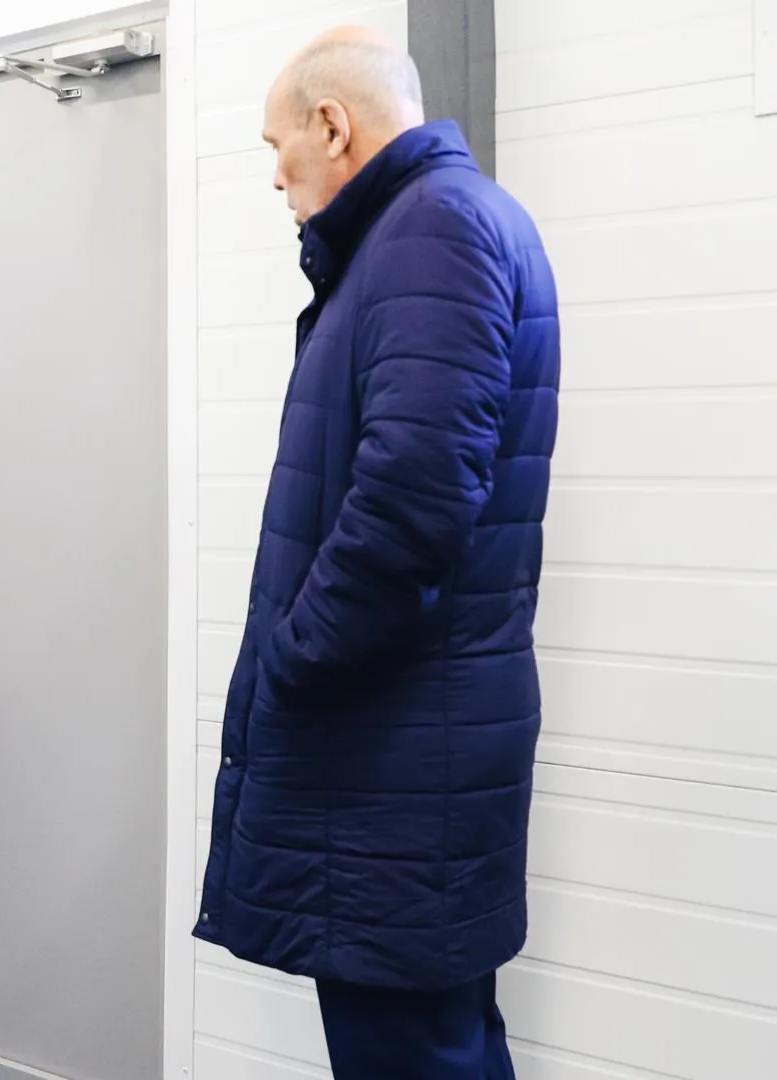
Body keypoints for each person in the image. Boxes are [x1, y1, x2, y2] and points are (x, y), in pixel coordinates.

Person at [194, 27, 559, 1080]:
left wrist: (294, 659)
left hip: (390, 754)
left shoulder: (430, 229)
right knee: (443, 1046)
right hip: (413, 750)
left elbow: (412, 503)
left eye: (277, 147)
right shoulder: (445, 224)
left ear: (332, 125)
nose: (276, 177)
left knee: (413, 1054)